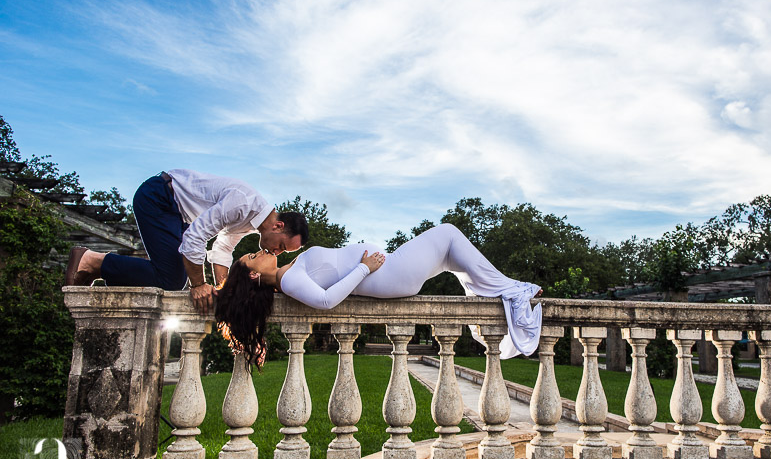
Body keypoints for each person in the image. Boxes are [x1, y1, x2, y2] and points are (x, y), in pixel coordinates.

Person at [215, 223, 542, 366]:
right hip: (389, 273)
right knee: (447, 235)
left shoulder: (291, 270)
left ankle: (504, 296)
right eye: (251, 257)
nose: (257, 252)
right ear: (254, 274)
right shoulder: (289, 282)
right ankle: (513, 292)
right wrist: (365, 268)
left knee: (454, 256)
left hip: (390, 269)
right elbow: (327, 302)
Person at [65, 169, 308, 314]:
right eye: (282, 247)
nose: (276, 253)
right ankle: (92, 261)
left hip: (177, 215)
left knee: (172, 278)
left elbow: (222, 248)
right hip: (159, 197)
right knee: (173, 280)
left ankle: (103, 270)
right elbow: (195, 238)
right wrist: (199, 285)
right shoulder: (243, 203)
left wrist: (225, 291)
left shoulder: (250, 221)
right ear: (278, 226)